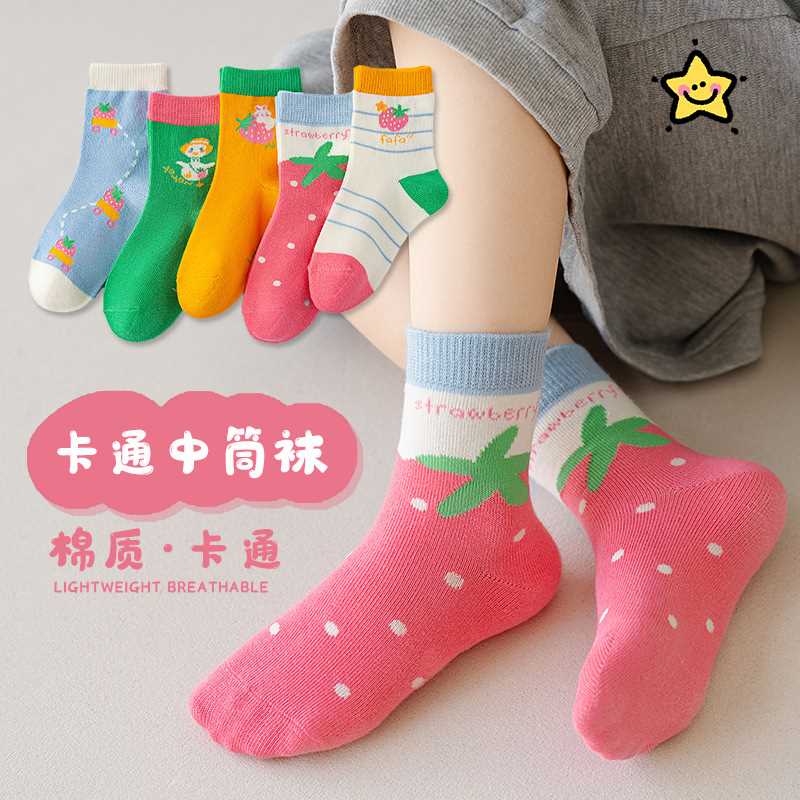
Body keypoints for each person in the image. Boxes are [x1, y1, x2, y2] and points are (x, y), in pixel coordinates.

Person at [190, 5, 794, 760]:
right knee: (299, 139)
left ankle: (453, 512)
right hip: (603, 178)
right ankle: (629, 475)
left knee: (442, 24)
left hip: (720, 101)